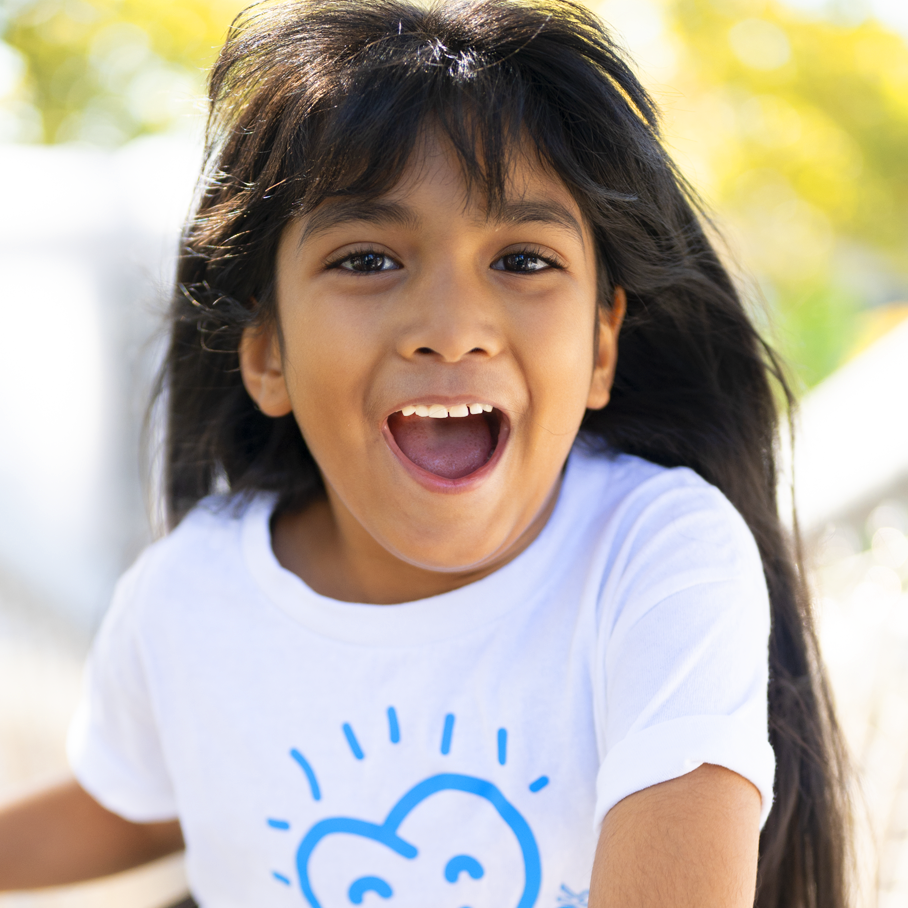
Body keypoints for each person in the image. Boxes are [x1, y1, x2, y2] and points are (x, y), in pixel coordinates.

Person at [0, 1, 850, 906]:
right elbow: (138, 797)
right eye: (367, 260)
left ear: (602, 346)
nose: (451, 330)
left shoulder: (654, 554)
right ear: (267, 353)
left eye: (523, 259)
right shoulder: (186, 598)